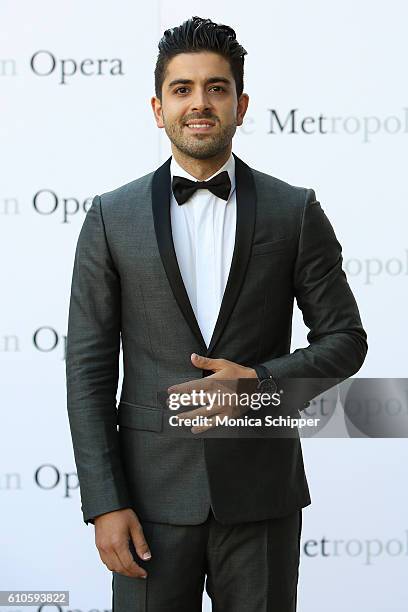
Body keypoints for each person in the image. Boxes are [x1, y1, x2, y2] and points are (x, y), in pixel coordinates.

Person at [65, 15, 368, 612]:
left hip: (261, 499)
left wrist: (259, 385)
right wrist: (105, 502)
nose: (199, 103)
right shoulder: (109, 217)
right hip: (148, 504)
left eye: (216, 88)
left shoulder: (295, 210)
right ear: (158, 108)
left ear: (241, 103)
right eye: (182, 89)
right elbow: (88, 374)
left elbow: (345, 339)